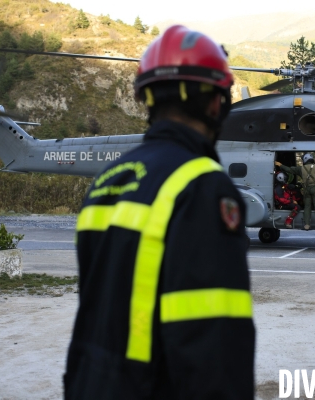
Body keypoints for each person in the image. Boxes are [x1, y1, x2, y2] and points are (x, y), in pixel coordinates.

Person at [65, 25, 255, 399]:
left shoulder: (109, 181)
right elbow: (213, 340)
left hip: (91, 384)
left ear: (146, 100)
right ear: (218, 103)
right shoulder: (202, 187)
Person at [275, 149, 315, 230]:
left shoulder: (300, 169)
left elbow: (289, 169)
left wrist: (280, 165)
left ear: (304, 160)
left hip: (306, 189)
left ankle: (307, 225)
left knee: (307, 207)